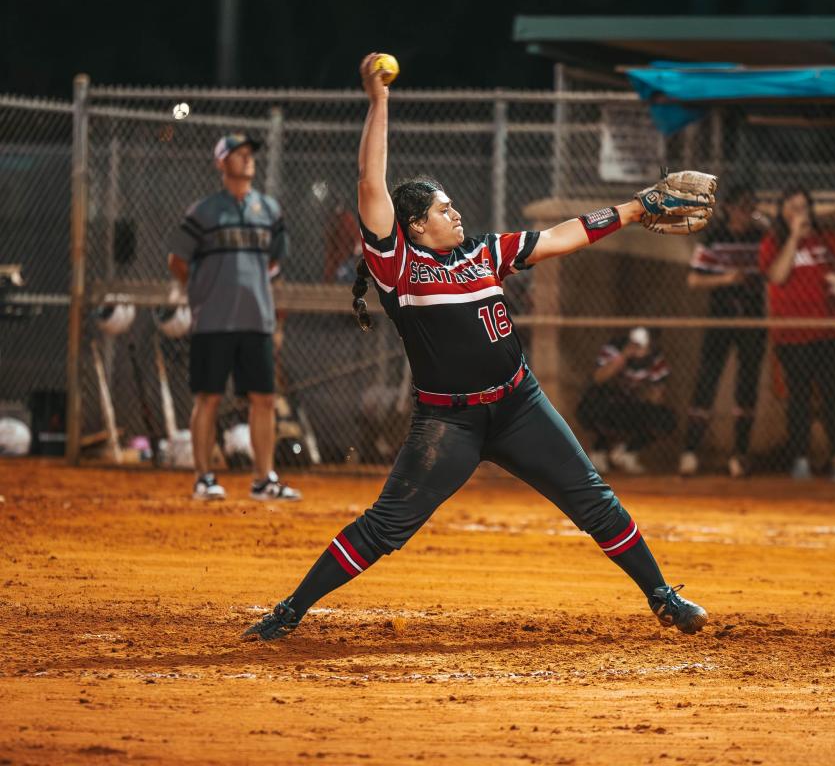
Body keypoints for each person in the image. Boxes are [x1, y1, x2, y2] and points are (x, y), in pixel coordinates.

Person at [242, 53, 712, 641]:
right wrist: (379, 99)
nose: (455, 211)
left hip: (519, 405)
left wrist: (636, 207)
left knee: (594, 500)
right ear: (413, 226)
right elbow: (369, 183)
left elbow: (562, 235)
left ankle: (663, 597)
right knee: (387, 527)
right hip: (449, 422)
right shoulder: (398, 265)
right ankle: (291, 608)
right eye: (442, 209)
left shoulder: (484, 252)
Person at [168, 133, 301, 502]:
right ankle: (203, 478)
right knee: (207, 398)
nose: (247, 160)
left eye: (250, 155)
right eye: (238, 155)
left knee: (265, 399)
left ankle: (263, 480)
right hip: (212, 321)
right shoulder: (203, 211)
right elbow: (177, 261)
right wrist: (202, 292)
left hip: (256, 319)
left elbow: (274, 260)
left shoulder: (270, 210)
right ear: (221, 163)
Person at [758, 187, 835, 483]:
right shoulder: (774, 242)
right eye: (793, 207)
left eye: (804, 207)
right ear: (782, 212)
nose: (800, 213)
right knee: (800, 399)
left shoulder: (826, 239)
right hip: (793, 335)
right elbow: (777, 276)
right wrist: (794, 236)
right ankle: (800, 460)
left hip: (829, 330)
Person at [678, 185, 766, 479]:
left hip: (752, 317)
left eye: (750, 208)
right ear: (728, 208)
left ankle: (739, 454)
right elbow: (694, 280)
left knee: (747, 383)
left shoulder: (760, 237)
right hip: (721, 315)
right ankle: (690, 450)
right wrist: (727, 278)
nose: (746, 213)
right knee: (707, 377)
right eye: (741, 207)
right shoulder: (715, 236)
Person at [577, 327, 676, 474]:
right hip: (610, 403)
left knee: (665, 418)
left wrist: (645, 388)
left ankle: (627, 452)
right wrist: (624, 356)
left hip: (633, 403)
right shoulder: (614, 348)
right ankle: (599, 450)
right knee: (595, 403)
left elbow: (657, 396)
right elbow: (598, 378)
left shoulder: (654, 356)